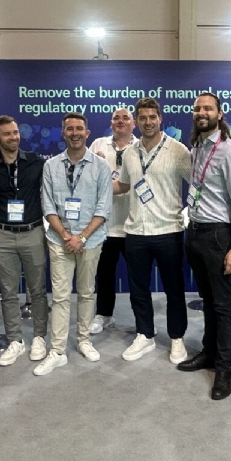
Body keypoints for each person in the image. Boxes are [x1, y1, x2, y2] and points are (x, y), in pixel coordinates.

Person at [177, 92, 231, 400]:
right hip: (196, 232)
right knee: (207, 300)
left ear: (219, 114)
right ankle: (209, 353)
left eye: (208, 108)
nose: (201, 112)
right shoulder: (197, 147)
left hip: (219, 236)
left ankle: (224, 369)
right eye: (197, 108)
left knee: (222, 304)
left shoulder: (229, 152)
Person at [115, 98, 191, 364]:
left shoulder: (178, 151)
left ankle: (177, 338)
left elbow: (197, 184)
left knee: (174, 289)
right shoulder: (129, 153)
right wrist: (93, 187)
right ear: (136, 121)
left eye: (152, 117)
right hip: (136, 231)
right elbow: (124, 185)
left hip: (168, 230)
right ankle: (145, 334)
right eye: (143, 118)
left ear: (160, 119)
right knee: (138, 289)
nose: (148, 122)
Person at [37, 112, 112, 375]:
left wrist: (82, 237)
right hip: (59, 240)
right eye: (70, 129)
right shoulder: (51, 166)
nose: (75, 133)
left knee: (87, 292)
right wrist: (67, 236)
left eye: (79, 128)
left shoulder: (101, 166)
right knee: (60, 296)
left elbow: (103, 208)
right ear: (63, 133)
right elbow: (48, 206)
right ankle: (57, 350)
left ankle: (83, 340)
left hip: (91, 240)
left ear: (87, 133)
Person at [0, 115, 50, 367]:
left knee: (37, 290)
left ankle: (39, 337)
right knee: (8, 292)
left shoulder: (37, 162)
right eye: (7, 134)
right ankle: (15, 341)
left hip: (33, 232)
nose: (14, 137)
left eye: (16, 132)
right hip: (2, 235)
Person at [88, 107, 137, 334]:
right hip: (104, 225)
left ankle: (143, 320)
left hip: (133, 225)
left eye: (126, 118)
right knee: (104, 275)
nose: (120, 121)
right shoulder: (98, 144)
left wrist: (104, 185)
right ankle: (104, 315)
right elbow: (86, 178)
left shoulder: (140, 147)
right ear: (111, 123)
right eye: (116, 118)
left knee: (137, 278)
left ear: (133, 124)